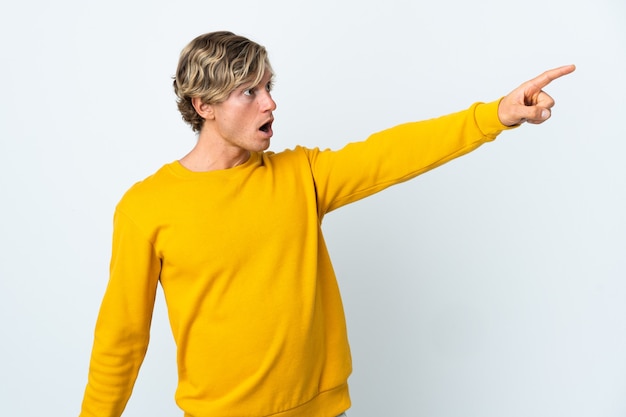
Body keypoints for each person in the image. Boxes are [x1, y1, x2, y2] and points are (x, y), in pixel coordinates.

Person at [78, 31, 575, 417]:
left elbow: (391, 154)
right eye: (247, 91)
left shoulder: (301, 176)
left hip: (323, 408)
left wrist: (495, 116)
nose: (269, 101)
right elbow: (122, 338)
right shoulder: (147, 207)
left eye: (268, 85)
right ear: (202, 106)